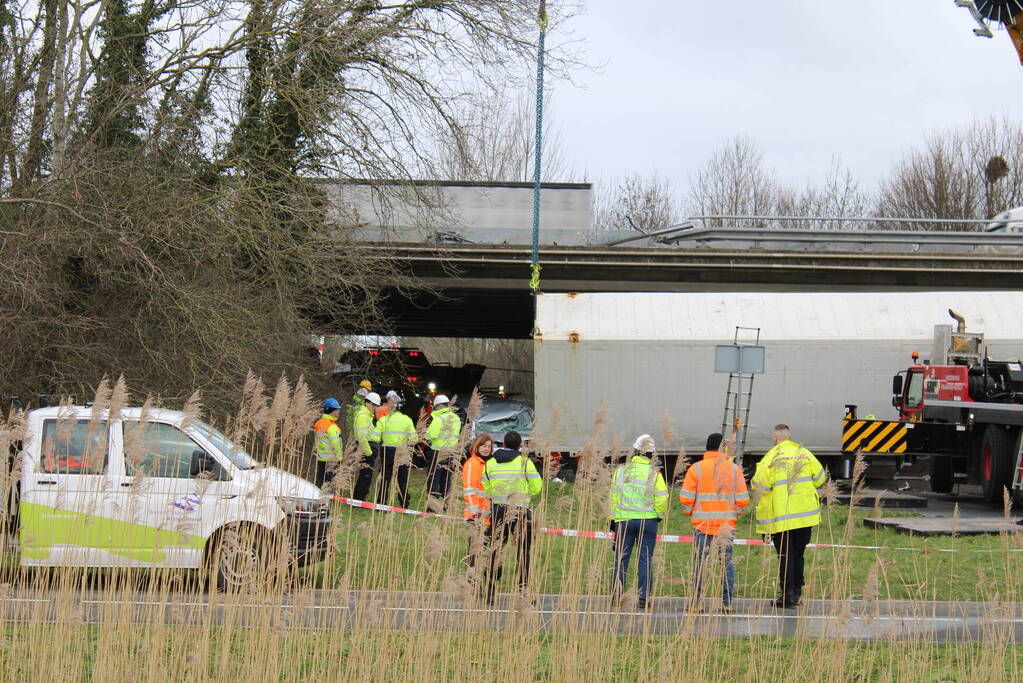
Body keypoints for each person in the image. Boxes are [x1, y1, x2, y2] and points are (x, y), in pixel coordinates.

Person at [752, 424, 826, 609]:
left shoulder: (772, 456)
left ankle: (787, 596)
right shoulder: (805, 453)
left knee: (785, 556)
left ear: (775, 439)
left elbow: (759, 485)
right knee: (799, 554)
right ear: (790, 437)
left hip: (783, 516)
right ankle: (798, 594)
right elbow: (820, 478)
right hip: (805, 517)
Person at [679, 432, 749, 613]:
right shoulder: (734, 469)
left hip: (702, 525)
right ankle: (727, 603)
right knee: (726, 564)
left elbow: (686, 498)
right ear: (723, 448)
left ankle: (696, 603)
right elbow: (742, 499)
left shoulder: (697, 469)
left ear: (707, 448)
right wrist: (734, 515)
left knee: (699, 565)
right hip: (726, 527)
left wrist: (690, 513)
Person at [481, 431, 542, 606]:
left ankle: (490, 592)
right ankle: (523, 592)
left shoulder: (491, 463)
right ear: (520, 445)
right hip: (521, 511)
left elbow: (485, 484)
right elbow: (536, 487)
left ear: (504, 443)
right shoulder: (525, 463)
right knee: (523, 553)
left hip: (498, 510)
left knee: (496, 550)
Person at [609, 434, 668, 611]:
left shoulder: (620, 471)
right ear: (651, 454)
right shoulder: (655, 474)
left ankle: (616, 596)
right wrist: (657, 515)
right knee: (645, 559)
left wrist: (613, 519)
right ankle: (644, 598)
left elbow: (613, 496)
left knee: (621, 559)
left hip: (624, 520)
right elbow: (662, 499)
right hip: (647, 521)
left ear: (634, 451)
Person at [463, 434, 494, 590]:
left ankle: (477, 584)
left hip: (486, 517)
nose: (487, 449)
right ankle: (471, 585)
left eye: (489, 446)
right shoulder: (472, 464)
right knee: (475, 553)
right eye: (484, 446)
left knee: (483, 553)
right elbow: (469, 490)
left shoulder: (486, 464)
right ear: (477, 446)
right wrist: (476, 514)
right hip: (476, 517)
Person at [375, 392, 417, 507]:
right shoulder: (407, 420)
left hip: (387, 451)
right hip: (402, 450)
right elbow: (414, 438)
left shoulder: (383, 420)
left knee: (385, 477)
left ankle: (381, 503)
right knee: (402, 479)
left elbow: (375, 436)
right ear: (399, 406)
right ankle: (404, 504)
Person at [425, 394, 462, 501]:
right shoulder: (456, 418)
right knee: (446, 478)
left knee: (434, 478)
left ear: (440, 406)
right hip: (451, 452)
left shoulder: (439, 418)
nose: (435, 409)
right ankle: (446, 501)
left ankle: (433, 503)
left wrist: (425, 435)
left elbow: (430, 435)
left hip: (437, 452)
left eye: (435, 407)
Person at [352, 391, 382, 501]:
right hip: (366, 449)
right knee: (365, 475)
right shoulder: (362, 416)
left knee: (366, 475)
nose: (375, 408)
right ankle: (359, 499)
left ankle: (360, 498)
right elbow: (362, 438)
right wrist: (369, 453)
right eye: (374, 405)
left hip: (368, 448)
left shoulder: (367, 416)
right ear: (367, 403)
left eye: (376, 406)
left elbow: (370, 435)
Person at [312, 398, 344, 489]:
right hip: (331, 460)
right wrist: (340, 458)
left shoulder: (318, 423)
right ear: (332, 411)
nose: (338, 412)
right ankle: (326, 503)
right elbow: (335, 444)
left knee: (319, 484)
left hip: (321, 458)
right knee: (328, 487)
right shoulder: (332, 426)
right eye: (337, 410)